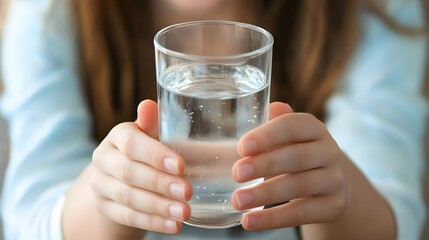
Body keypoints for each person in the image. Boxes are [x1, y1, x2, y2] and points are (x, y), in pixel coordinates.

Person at [0, 0, 427, 239]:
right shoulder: (51, 14)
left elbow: (400, 218)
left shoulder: (377, 10)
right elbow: (25, 221)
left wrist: (339, 196)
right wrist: (105, 199)